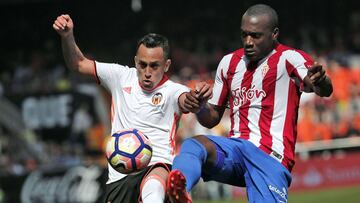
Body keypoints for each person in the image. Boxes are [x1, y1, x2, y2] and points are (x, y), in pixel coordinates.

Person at [167, 4, 333, 203]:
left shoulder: (289, 58)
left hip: (270, 158)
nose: (248, 42)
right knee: (194, 146)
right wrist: (200, 106)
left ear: (274, 34)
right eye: (244, 35)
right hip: (235, 151)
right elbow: (211, 119)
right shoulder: (229, 63)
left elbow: (320, 87)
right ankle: (179, 190)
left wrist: (321, 82)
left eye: (255, 36)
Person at [52, 14, 211, 203]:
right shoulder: (120, 77)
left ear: (167, 65)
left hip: (158, 167)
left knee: (156, 176)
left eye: (154, 66)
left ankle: (167, 194)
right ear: (135, 61)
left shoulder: (174, 91)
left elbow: (186, 100)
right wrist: (67, 36)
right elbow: (78, 64)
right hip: (120, 175)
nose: (147, 72)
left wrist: (196, 101)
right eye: (142, 65)